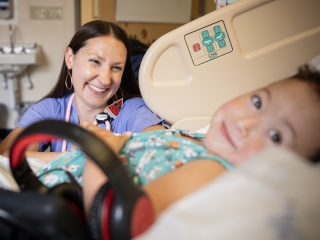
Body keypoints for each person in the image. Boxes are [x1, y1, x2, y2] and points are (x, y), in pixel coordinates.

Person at [35, 64, 320, 219]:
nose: (245, 125)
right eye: (257, 102)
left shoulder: (213, 168)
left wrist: (103, 154)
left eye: (275, 136)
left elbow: (122, 220)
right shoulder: (200, 138)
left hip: (43, 210)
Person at [0, 20, 166, 159]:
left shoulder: (132, 110)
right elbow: (8, 155)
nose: (105, 79)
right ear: (70, 58)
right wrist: (86, 157)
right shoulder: (51, 109)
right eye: (95, 61)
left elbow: (165, 148)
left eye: (116, 68)